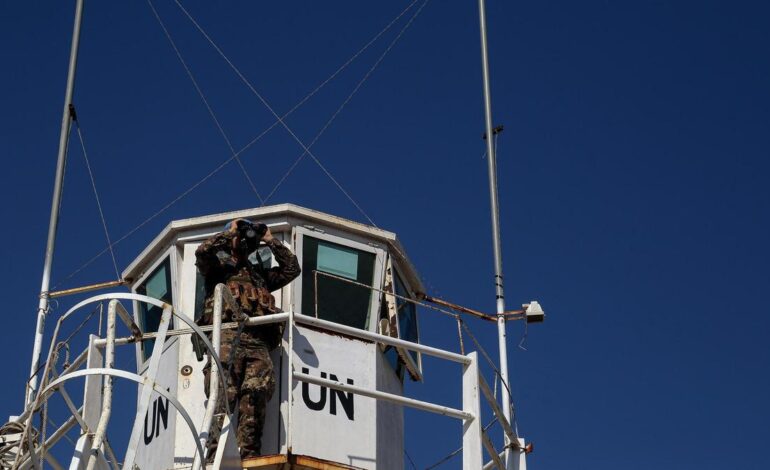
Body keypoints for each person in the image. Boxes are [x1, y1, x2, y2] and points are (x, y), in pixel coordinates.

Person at [195, 219, 300, 460]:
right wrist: (229, 232)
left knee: (255, 396)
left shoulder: (260, 276)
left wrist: (270, 240)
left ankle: (249, 457)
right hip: (226, 339)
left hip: (257, 344)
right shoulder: (217, 270)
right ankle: (212, 456)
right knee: (222, 396)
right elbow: (202, 252)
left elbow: (292, 269)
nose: (242, 241)